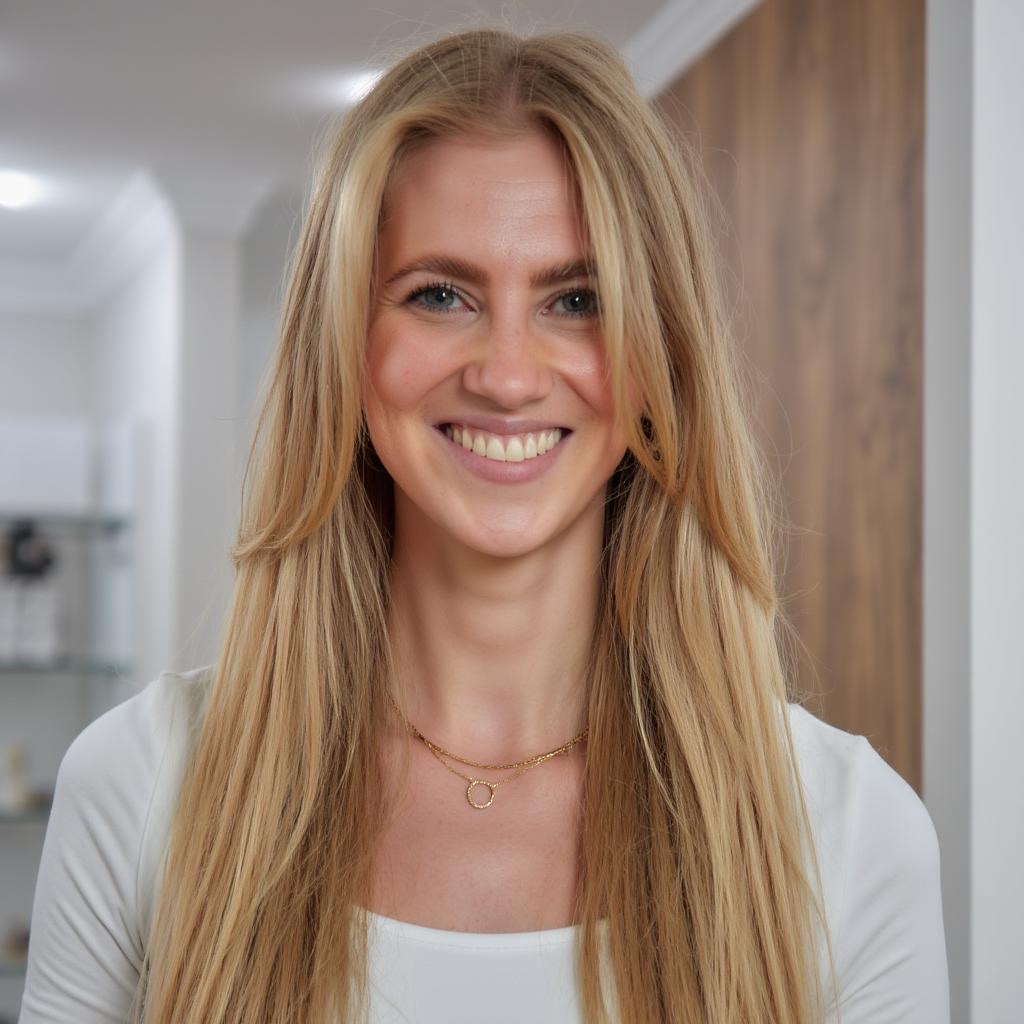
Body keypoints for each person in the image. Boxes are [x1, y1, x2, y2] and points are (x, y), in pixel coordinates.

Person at [18, 26, 949, 1024]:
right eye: (440, 294)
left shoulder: (848, 832)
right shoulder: (141, 787)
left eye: (576, 299)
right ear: (346, 344)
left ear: (659, 359)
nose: (507, 375)